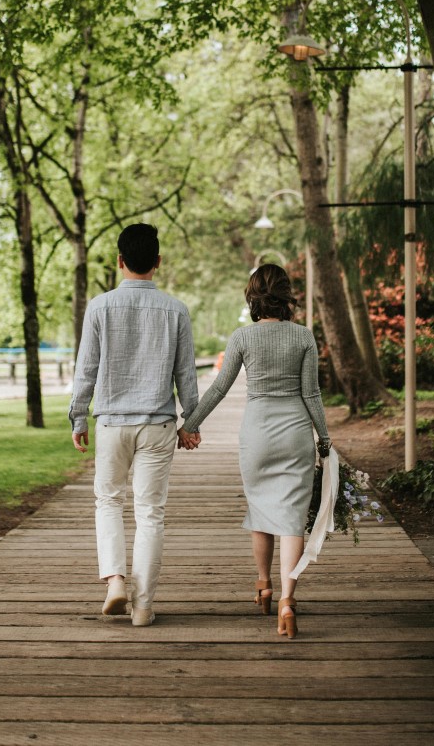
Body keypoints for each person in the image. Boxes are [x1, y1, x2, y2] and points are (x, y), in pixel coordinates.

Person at [179, 263, 331, 639]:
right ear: (286, 297)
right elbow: (311, 394)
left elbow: (217, 389)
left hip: (257, 435)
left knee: (261, 510)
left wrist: (191, 424)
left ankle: (263, 586)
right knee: (293, 517)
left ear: (252, 298)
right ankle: (287, 602)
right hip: (295, 432)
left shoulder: (242, 337)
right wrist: (324, 439)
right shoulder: (303, 337)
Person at [69, 223, 199, 627]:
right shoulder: (176, 310)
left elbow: (86, 368)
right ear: (157, 263)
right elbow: (186, 375)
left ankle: (115, 583)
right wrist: (190, 422)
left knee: (108, 501)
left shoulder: (99, 306)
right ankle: (143, 607)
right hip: (158, 425)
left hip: (111, 423)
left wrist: (78, 415)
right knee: (150, 513)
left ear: (119, 261)